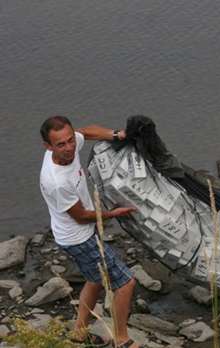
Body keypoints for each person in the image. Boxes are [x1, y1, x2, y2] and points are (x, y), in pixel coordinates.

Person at [39, 116, 139, 348]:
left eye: (71, 140)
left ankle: (79, 334)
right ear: (48, 147)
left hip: (72, 232)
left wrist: (117, 135)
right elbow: (81, 216)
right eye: (61, 145)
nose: (69, 148)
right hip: (79, 238)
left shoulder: (69, 148)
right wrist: (114, 213)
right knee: (125, 283)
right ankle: (122, 340)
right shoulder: (58, 181)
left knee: (94, 280)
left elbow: (87, 132)